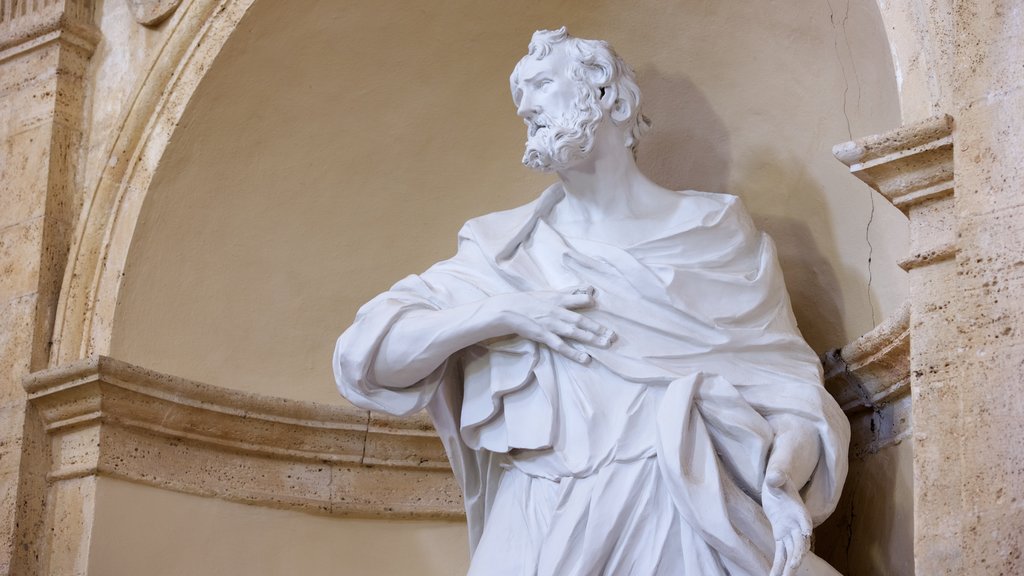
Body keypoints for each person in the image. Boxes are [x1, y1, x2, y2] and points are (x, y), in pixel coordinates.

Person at [334, 27, 849, 576]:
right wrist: (502, 313)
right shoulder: (505, 252)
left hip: (678, 504)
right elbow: (366, 358)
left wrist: (778, 480)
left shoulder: (716, 233)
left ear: (611, 98)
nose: (525, 107)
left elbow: (790, 390)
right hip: (539, 508)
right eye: (519, 96)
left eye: (540, 85)